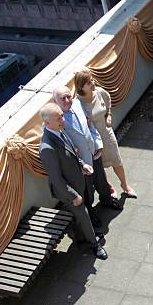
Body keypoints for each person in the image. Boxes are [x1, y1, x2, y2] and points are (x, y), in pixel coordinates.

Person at [38, 103, 108, 260]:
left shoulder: (59, 130)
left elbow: (72, 153)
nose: (63, 119)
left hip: (78, 180)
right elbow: (56, 179)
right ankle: (94, 246)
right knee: (82, 214)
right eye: (58, 118)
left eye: (61, 116)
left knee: (83, 214)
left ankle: (84, 236)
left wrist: (83, 165)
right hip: (69, 190)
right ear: (47, 123)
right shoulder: (47, 147)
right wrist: (73, 195)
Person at [53, 86, 122, 229]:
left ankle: (106, 200)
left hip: (94, 152)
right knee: (87, 189)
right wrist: (79, 161)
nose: (67, 100)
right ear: (55, 101)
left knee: (101, 179)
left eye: (68, 96)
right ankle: (91, 212)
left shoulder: (77, 104)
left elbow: (89, 125)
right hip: (80, 162)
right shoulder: (56, 119)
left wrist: (98, 144)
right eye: (62, 98)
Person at [74, 68, 137, 199]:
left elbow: (108, 102)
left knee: (117, 161)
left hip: (107, 135)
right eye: (89, 82)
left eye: (92, 79)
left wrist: (109, 115)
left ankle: (125, 186)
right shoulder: (77, 104)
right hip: (93, 142)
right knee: (100, 167)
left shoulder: (100, 93)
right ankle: (109, 187)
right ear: (81, 87)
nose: (93, 83)